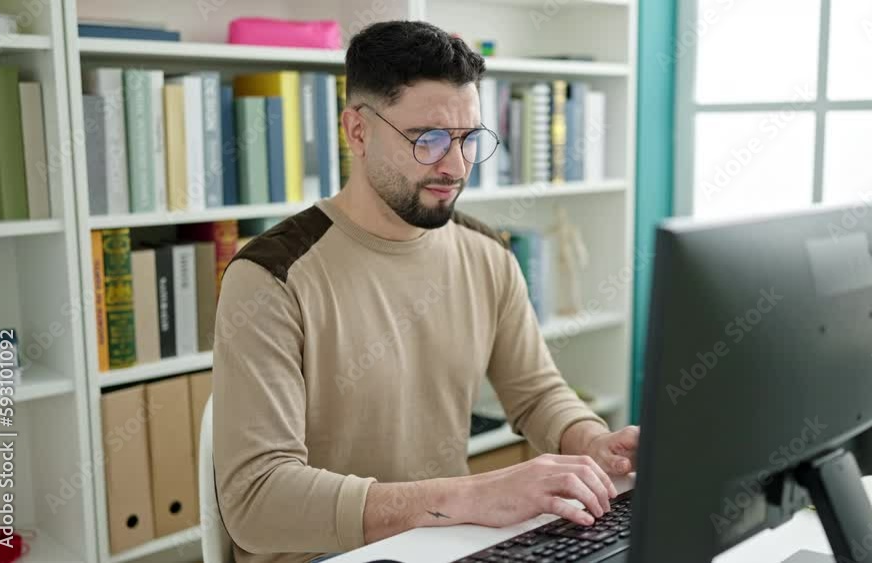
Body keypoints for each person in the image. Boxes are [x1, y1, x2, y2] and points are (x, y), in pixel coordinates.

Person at [213, 20, 640, 563]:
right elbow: (256, 503)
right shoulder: (270, 275)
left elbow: (536, 394)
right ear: (357, 131)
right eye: (429, 140)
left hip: (444, 546)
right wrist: (473, 496)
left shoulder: (487, 254)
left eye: (468, 139)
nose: (456, 166)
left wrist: (591, 441)